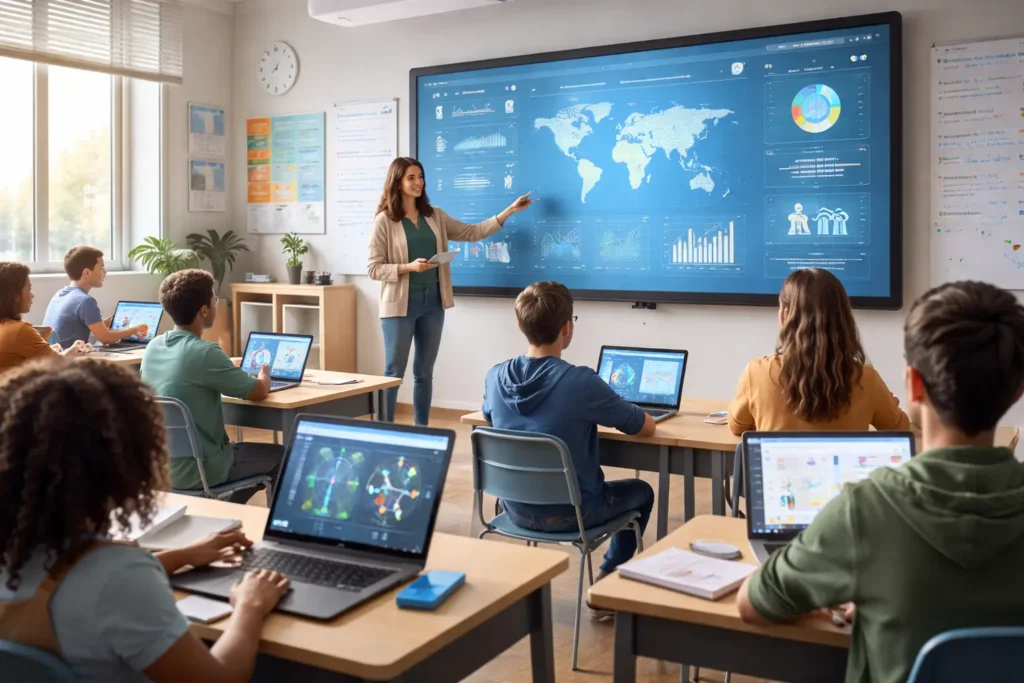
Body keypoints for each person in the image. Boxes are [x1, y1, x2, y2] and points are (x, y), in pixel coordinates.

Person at [736, 280, 1024, 683]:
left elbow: (752, 603)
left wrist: (867, 587)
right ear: (1018, 390)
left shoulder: (864, 510)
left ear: (914, 384)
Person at [0, 359, 289, 682]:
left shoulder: (22, 549)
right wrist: (250, 606)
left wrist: (179, 556)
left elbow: (76, 583)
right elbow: (219, 679)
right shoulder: (118, 576)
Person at [482, 281, 656, 618]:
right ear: (567, 328)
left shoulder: (495, 377)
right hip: (573, 514)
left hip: (513, 510)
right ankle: (605, 586)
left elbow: (490, 416)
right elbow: (643, 427)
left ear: (520, 325)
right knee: (642, 491)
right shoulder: (581, 383)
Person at [368, 156, 535, 425]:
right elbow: (374, 269)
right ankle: (384, 430)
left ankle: (422, 430)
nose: (418, 182)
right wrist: (408, 267)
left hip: (433, 302)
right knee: (393, 372)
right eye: (411, 178)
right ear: (397, 183)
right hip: (399, 305)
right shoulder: (384, 221)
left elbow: (473, 232)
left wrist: (509, 211)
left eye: (420, 176)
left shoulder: (434, 215)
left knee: (424, 372)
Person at [141, 269, 281, 503]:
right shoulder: (205, 352)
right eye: (215, 300)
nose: (216, 305)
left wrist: (227, 366)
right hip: (202, 470)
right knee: (282, 457)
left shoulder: (153, 347)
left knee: (244, 456)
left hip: (159, 469)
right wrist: (264, 374)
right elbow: (257, 391)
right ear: (204, 310)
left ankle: (228, 513)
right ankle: (272, 524)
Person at [728, 268, 910, 435]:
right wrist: (888, 401)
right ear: (843, 320)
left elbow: (737, 426)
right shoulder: (866, 379)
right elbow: (899, 427)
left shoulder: (757, 373)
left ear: (784, 317)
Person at [43, 246, 149, 347]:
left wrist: (111, 321)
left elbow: (93, 329)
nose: (105, 272)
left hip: (52, 357)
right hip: (70, 358)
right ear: (87, 272)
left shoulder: (60, 295)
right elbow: (105, 337)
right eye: (101, 267)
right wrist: (135, 329)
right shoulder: (85, 301)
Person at [0, 261, 89, 372]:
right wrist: (75, 349)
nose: (32, 295)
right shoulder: (20, 330)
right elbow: (58, 362)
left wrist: (46, 350)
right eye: (29, 289)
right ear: (15, 296)